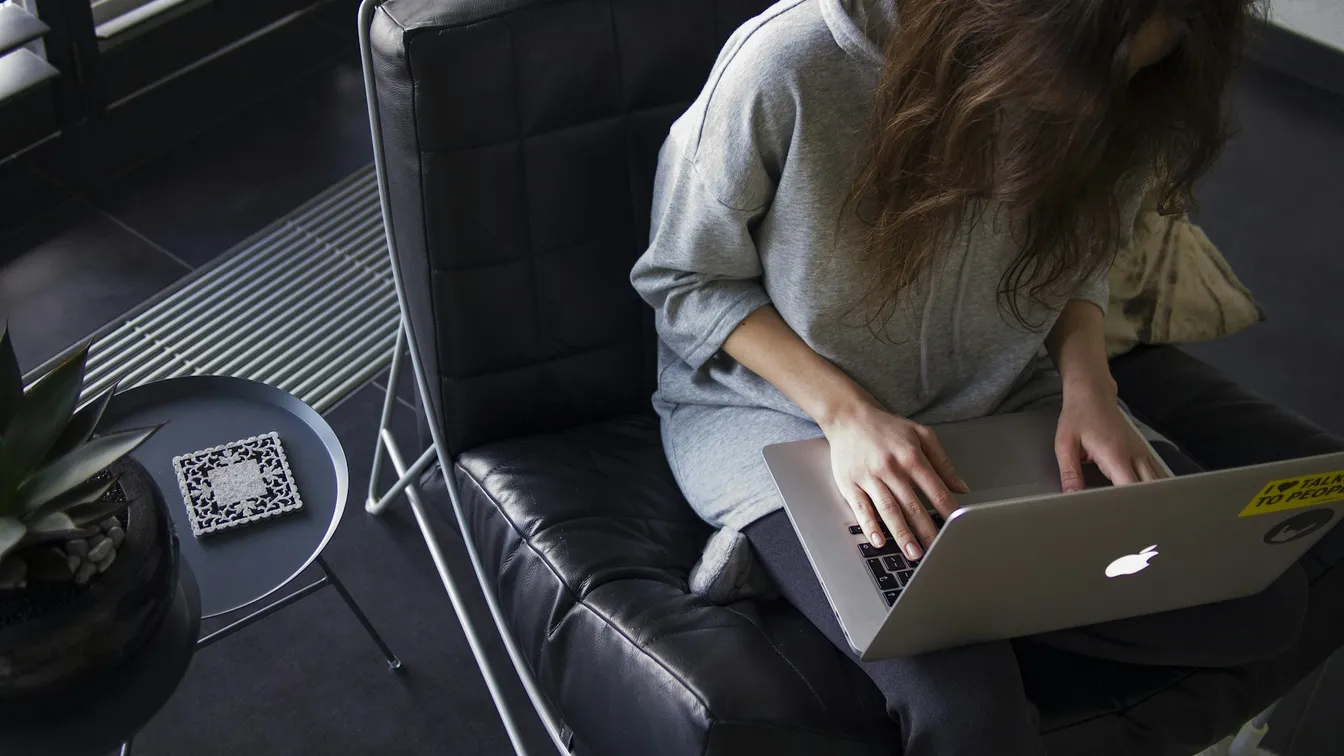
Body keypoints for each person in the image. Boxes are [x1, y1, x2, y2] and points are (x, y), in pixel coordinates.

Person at [630, 0, 1308, 753]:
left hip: (1006, 397)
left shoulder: (1123, 87)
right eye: (1086, 71)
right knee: (970, 715)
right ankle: (802, 556)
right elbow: (685, 280)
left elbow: (1079, 254)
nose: (1097, 102)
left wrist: (1090, 387)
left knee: (1264, 603)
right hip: (783, 413)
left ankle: (903, 586)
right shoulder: (790, 62)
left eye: (1130, 74)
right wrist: (849, 416)